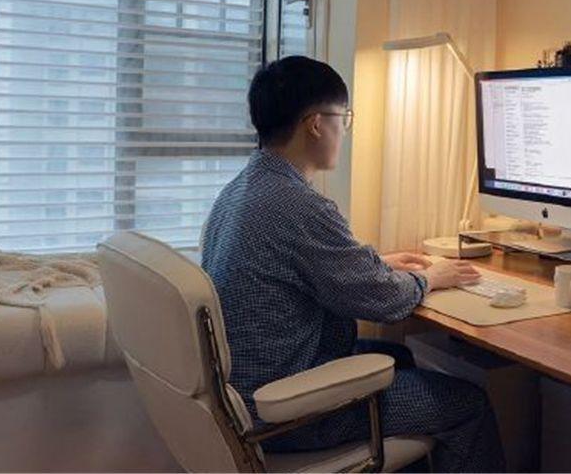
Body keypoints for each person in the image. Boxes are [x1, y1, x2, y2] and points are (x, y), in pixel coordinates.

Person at [201, 56, 506, 473]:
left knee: (397, 356)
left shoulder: (243, 189)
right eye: (343, 118)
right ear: (316, 124)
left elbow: (303, 267)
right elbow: (383, 301)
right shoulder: (298, 204)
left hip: (249, 388)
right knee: (467, 404)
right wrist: (430, 278)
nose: (344, 131)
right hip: (286, 412)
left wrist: (378, 263)